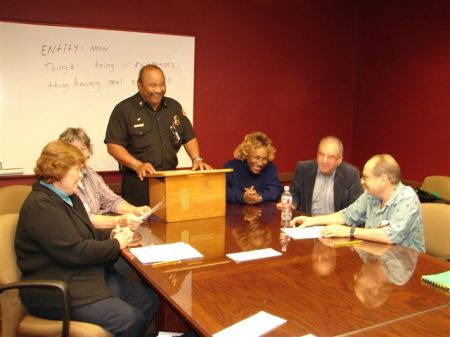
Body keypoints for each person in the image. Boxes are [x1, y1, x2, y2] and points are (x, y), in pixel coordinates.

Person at [15, 141, 159, 337]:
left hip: (83, 277)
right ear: (59, 171)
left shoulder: (67, 197)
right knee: (130, 321)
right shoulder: (41, 206)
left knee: (148, 300)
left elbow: (85, 235)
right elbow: (76, 251)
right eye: (78, 170)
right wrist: (117, 244)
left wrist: (112, 234)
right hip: (57, 292)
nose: (82, 176)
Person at [105, 64, 212, 206]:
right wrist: (137, 165)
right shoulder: (124, 110)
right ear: (140, 85)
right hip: (139, 184)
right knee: (140, 227)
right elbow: (113, 145)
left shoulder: (174, 107)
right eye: (152, 85)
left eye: (162, 85)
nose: (158, 90)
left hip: (170, 182)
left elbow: (188, 136)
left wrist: (196, 158)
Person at [291, 154, 425, 252]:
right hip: (377, 257)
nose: (362, 182)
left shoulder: (406, 197)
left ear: (383, 179)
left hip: (405, 266)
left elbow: (390, 236)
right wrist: (312, 220)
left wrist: (349, 231)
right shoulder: (371, 195)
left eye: (366, 177)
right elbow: (347, 215)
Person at [59, 127, 150, 229]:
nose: (79, 153)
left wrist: (135, 210)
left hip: (98, 233)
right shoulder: (60, 179)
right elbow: (80, 218)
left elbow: (111, 200)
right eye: (73, 149)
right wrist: (118, 221)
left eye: (83, 148)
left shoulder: (90, 173)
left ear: (89, 151)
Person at [285, 136, 363, 214]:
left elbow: (355, 206)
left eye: (330, 157)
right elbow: (294, 193)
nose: (324, 161)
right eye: (321, 154)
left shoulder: (350, 174)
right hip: (307, 221)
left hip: (335, 223)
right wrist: (291, 204)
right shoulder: (304, 168)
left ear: (339, 160)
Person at [224, 131, 283, 204]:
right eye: (256, 158)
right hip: (235, 213)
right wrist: (243, 197)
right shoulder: (231, 167)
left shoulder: (270, 167)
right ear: (247, 154)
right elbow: (224, 191)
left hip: (264, 212)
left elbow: (276, 189)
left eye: (264, 159)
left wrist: (259, 196)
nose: (260, 163)